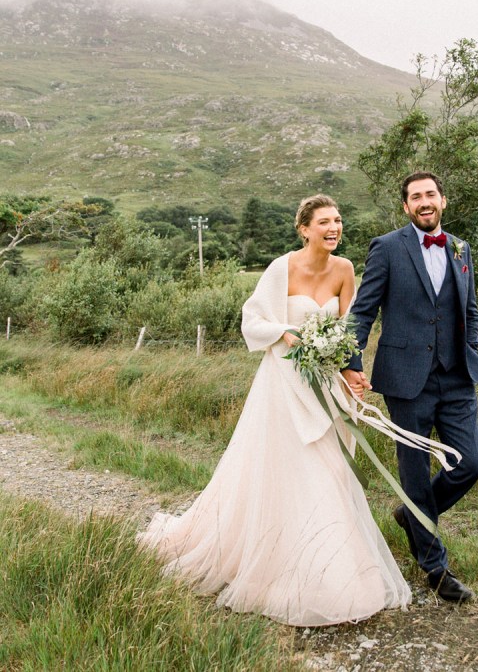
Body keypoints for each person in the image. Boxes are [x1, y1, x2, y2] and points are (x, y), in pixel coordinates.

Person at [138, 194, 411, 627]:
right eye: (324, 221)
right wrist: (287, 332)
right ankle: (278, 567)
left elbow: (351, 329)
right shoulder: (281, 268)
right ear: (304, 229)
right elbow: (252, 320)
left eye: (338, 220)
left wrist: (352, 373)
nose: (334, 227)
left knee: (331, 471)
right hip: (283, 383)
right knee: (289, 468)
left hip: (327, 383)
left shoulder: (344, 270)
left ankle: (335, 567)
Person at [342, 171, 478, 603]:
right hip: (406, 380)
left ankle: (413, 516)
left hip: (457, 377)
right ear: (406, 207)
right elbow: (362, 312)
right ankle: (435, 568)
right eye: (415, 197)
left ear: (443, 200)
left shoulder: (462, 248)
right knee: (415, 472)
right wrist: (352, 364)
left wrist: (470, 350)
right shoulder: (387, 247)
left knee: (470, 463)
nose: (424, 202)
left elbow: (472, 309)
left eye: (430, 195)